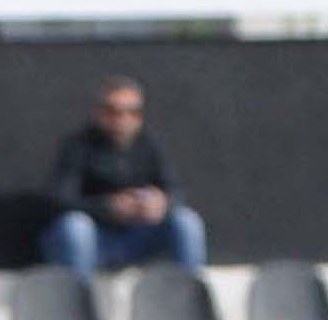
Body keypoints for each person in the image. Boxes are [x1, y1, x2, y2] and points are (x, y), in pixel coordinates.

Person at [41, 77, 208, 278]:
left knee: (186, 221)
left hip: (136, 237)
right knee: (75, 227)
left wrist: (161, 203)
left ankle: (189, 295)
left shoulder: (148, 145)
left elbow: (175, 190)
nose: (123, 119)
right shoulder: (78, 146)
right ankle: (77, 303)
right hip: (94, 240)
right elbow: (58, 199)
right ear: (99, 113)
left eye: (132, 112)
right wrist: (108, 207)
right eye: (113, 112)